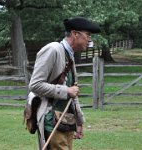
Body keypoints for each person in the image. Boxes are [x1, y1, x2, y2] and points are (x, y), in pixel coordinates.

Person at [28, 16, 100, 150]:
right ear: (74, 34)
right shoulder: (53, 49)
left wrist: (79, 121)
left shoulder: (70, 54)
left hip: (66, 120)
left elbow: (73, 92)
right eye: (88, 35)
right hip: (52, 120)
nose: (89, 40)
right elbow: (35, 85)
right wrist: (66, 91)